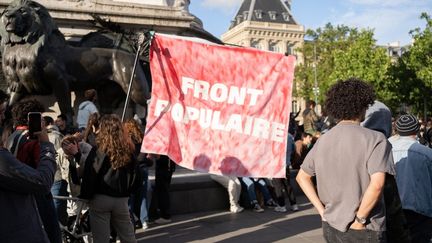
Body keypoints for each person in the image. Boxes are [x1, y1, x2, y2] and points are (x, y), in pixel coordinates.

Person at [296, 78, 395, 242]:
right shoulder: (376, 139)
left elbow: (302, 177)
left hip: (331, 225)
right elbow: (377, 185)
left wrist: (322, 212)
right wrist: (360, 220)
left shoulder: (323, 140)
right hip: (365, 227)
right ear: (362, 105)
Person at [0, 90, 57, 243]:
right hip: (31, 194)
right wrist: (46, 143)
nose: (3, 117)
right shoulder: (33, 141)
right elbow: (43, 179)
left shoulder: (11, 136)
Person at [79, 114, 140, 243]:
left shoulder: (98, 151)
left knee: (101, 239)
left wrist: (86, 195)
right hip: (121, 199)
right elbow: (136, 175)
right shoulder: (128, 151)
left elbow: (91, 174)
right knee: (128, 237)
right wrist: (128, 192)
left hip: (100, 198)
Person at [389, 114, 432, 242]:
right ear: (417, 129)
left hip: (392, 209)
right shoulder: (427, 153)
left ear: (397, 129)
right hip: (420, 211)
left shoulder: (385, 149)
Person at [124, 119, 153, 230]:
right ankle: (144, 219)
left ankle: (131, 220)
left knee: (130, 197)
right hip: (142, 170)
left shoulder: (126, 140)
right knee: (143, 196)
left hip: (131, 171)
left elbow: (136, 158)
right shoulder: (142, 139)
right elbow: (144, 158)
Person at [148, 155, 176, 224]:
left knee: (163, 190)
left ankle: (165, 215)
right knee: (161, 189)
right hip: (166, 165)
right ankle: (160, 213)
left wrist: (156, 155)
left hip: (165, 166)